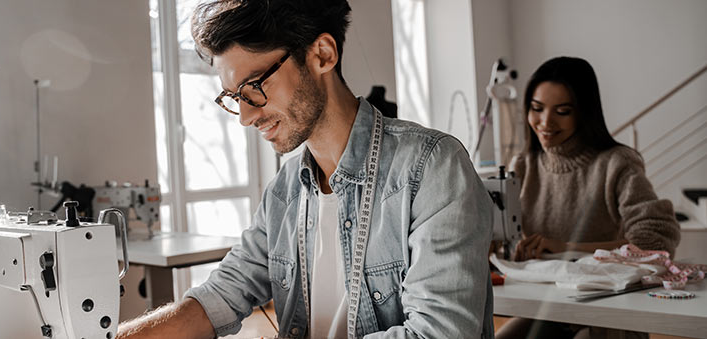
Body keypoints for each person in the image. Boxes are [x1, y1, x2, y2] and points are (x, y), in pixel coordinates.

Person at [117, 1, 494, 338]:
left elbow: (439, 332)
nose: (246, 117)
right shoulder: (285, 191)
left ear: (323, 55)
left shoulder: (431, 167)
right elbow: (217, 298)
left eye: (254, 86)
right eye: (235, 98)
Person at [496, 56, 681, 339]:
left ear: (584, 113)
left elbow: (654, 243)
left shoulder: (617, 163)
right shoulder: (522, 164)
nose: (545, 122)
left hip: (613, 308)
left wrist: (568, 247)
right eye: (536, 108)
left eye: (562, 111)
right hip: (551, 305)